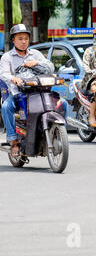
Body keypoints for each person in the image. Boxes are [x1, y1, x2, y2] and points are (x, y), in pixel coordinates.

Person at [0, 24, 66, 157]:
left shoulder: (35, 54)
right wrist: (13, 78)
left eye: (26, 38)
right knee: (6, 107)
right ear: (13, 40)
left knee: (62, 103)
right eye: (20, 38)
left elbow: (50, 66)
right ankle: (13, 141)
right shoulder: (7, 57)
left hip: (40, 92)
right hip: (19, 94)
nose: (23, 41)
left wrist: (36, 63)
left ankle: (58, 132)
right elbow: (3, 74)